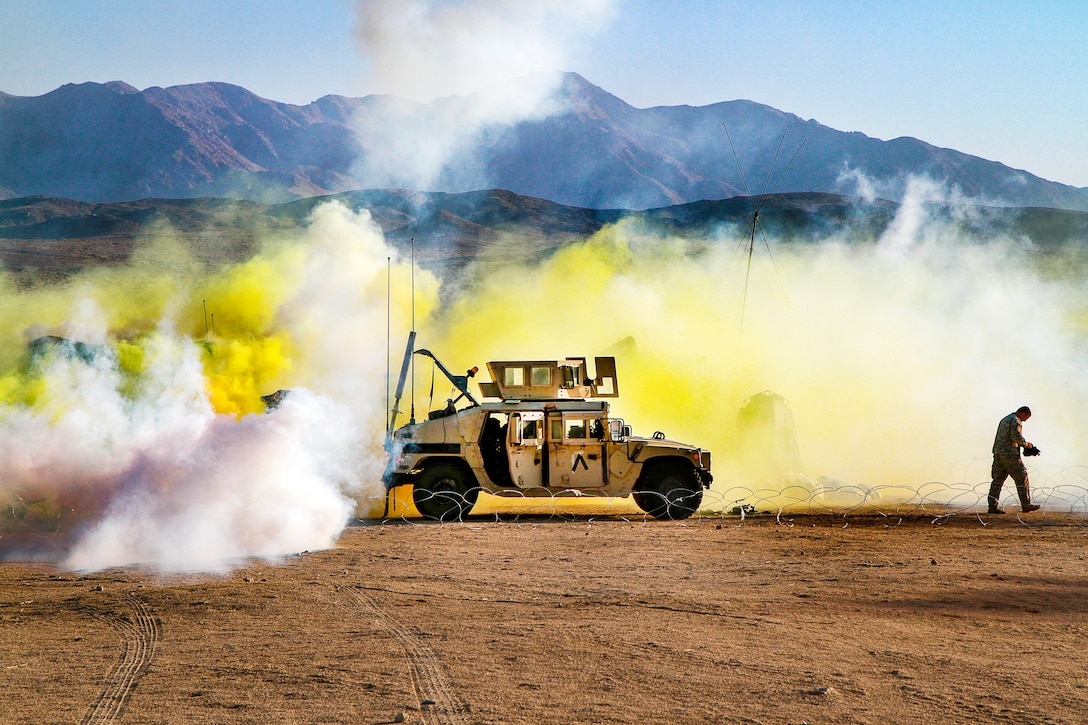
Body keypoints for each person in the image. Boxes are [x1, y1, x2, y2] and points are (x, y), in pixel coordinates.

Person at [987, 406, 1042, 514]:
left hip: (998, 453)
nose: (1025, 420)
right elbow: (1016, 437)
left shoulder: (1005, 418)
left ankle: (992, 506)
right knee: (1022, 476)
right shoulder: (1016, 420)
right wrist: (1027, 445)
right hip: (1010, 454)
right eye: (1026, 417)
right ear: (1022, 413)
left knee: (997, 481)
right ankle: (1026, 504)